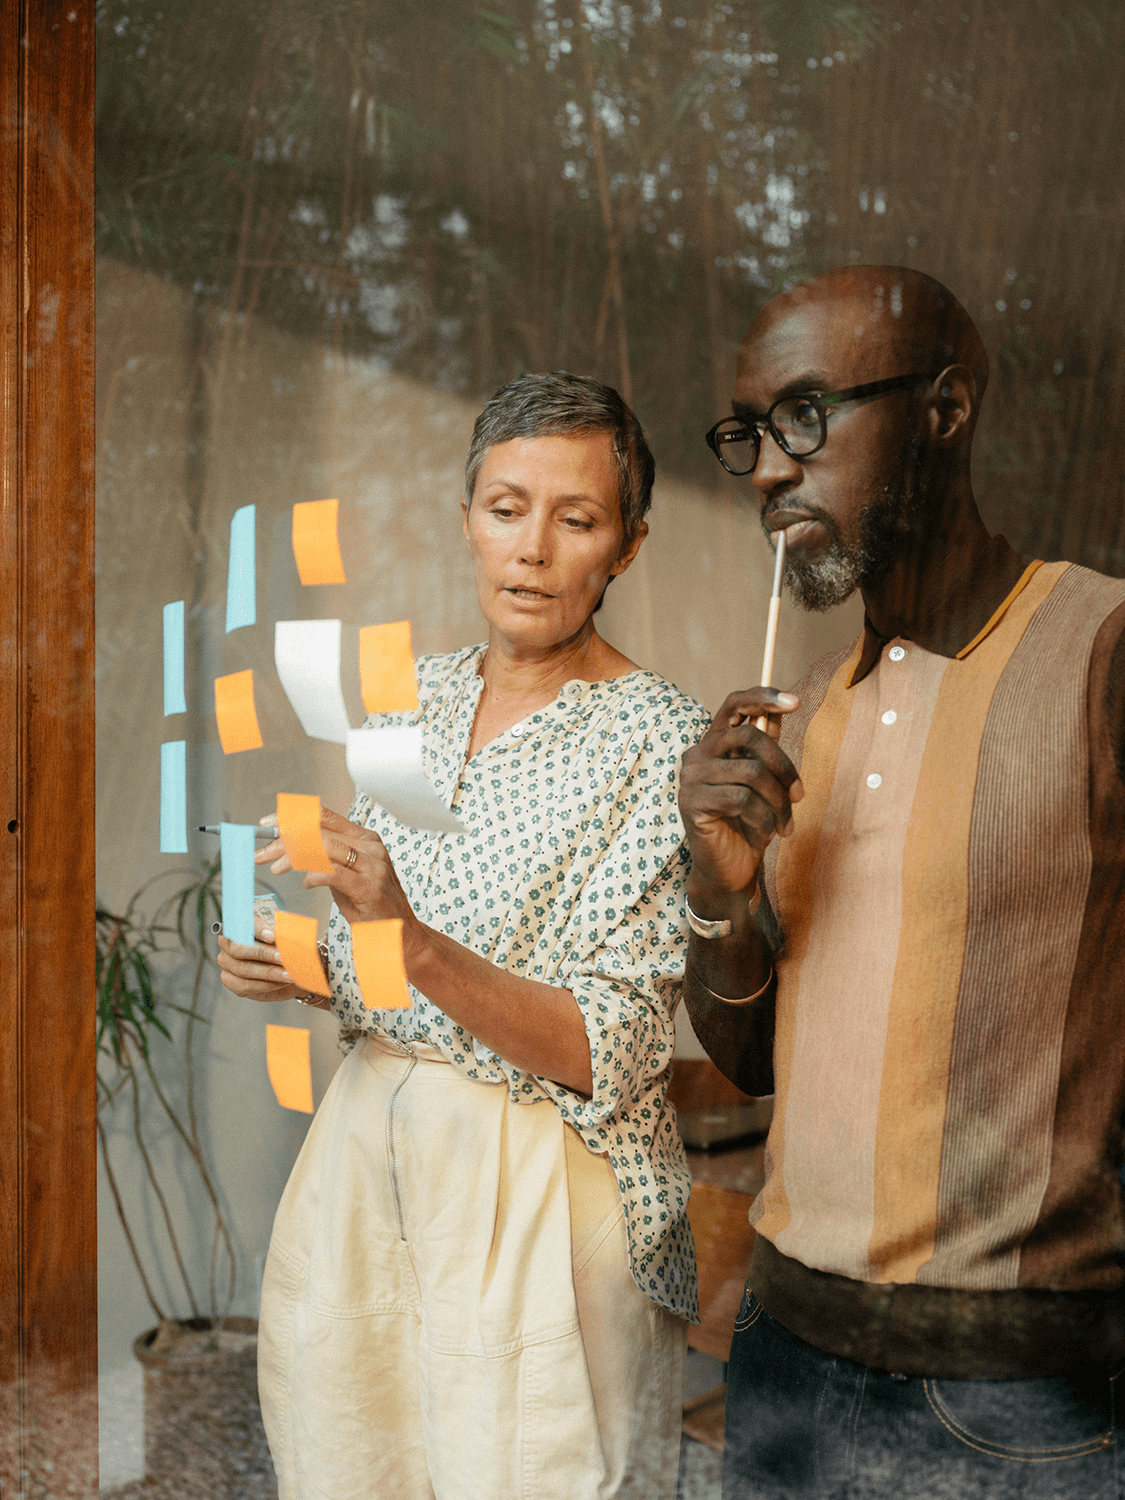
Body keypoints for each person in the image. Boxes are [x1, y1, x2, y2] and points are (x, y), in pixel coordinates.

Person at [218, 371, 710, 1500]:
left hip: (547, 1185)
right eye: (506, 508)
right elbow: (379, 965)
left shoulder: (661, 743)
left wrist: (405, 931)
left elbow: (610, 1049)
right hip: (366, 1163)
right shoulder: (412, 703)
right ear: (467, 519)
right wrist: (304, 965)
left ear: (626, 547)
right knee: (348, 1467)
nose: (533, 549)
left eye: (575, 519)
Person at [678, 265, 1125, 1499]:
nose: (770, 468)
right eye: (750, 435)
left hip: (1017, 1401)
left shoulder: (1102, 653)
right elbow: (749, 1062)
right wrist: (717, 893)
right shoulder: (808, 705)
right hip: (779, 1363)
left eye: (807, 416)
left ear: (943, 410)